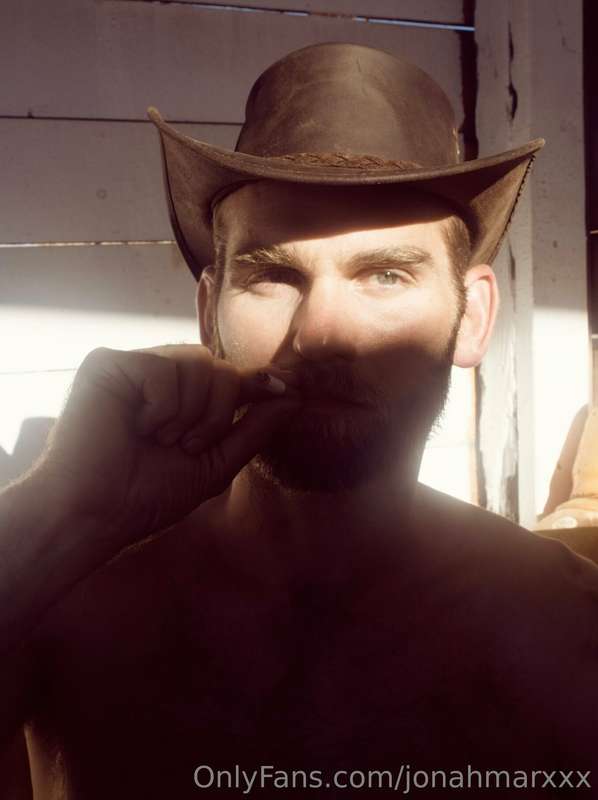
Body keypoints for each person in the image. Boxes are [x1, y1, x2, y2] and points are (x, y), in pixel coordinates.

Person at [1, 42, 597, 799]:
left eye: (386, 274)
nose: (320, 334)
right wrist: (59, 510)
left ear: (472, 316)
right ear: (208, 312)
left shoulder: (570, 624)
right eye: (273, 276)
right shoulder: (62, 591)